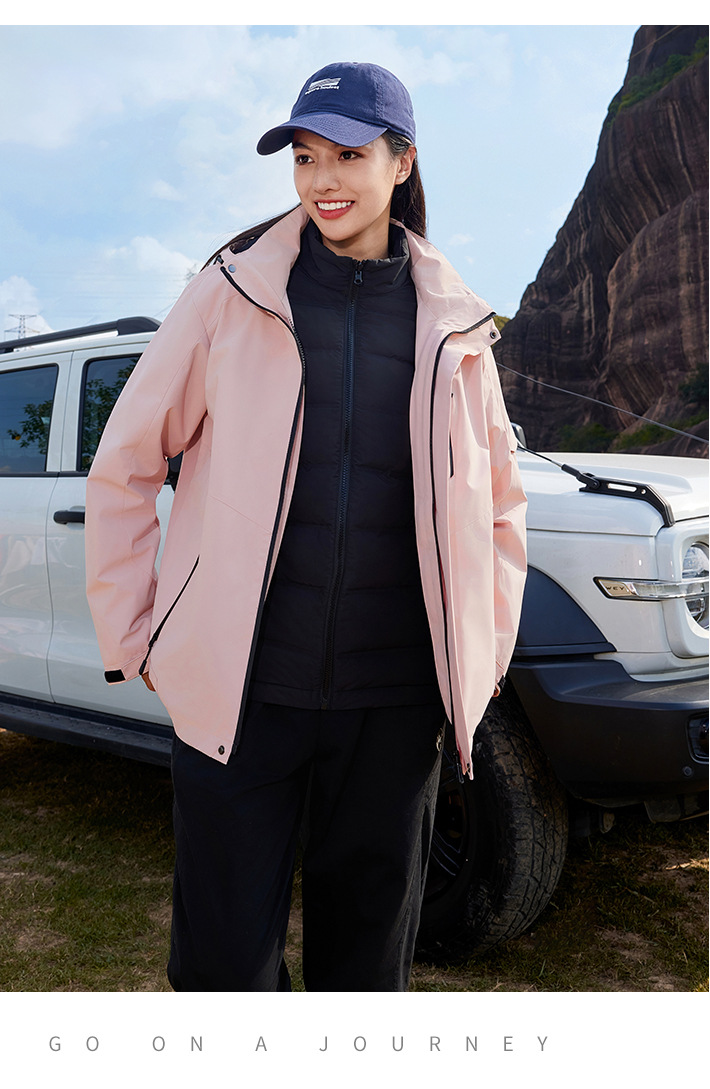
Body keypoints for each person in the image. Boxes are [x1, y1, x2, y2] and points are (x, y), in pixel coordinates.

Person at [85, 61, 528, 992]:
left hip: (394, 707)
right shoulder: (231, 294)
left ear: (403, 162)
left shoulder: (455, 326)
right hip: (242, 700)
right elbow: (124, 463)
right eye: (304, 157)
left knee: (363, 979)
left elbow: (498, 506)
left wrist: (479, 662)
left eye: (349, 155)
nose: (322, 180)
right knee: (221, 973)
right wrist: (138, 635)